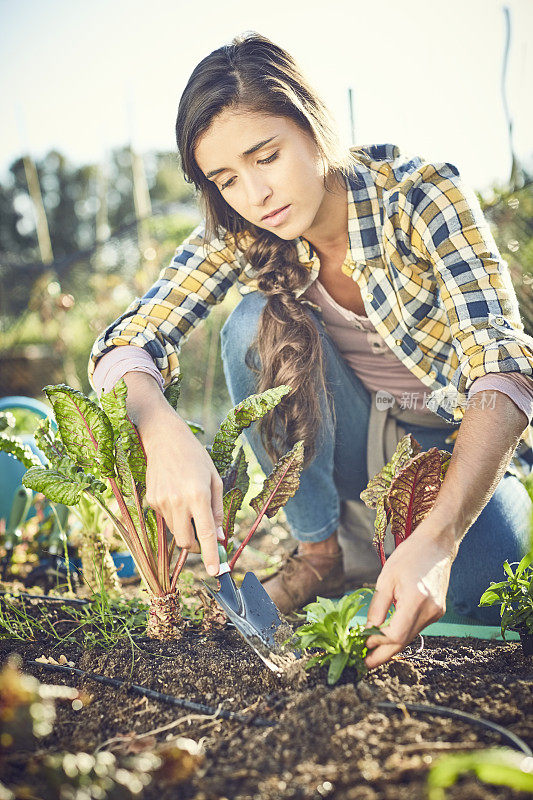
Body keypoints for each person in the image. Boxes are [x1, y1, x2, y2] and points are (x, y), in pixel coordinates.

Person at [88, 32, 533, 668]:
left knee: (480, 599)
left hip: (455, 450)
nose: (254, 195)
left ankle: (398, 545)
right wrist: (161, 430)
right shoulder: (245, 229)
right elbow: (126, 341)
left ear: (314, 127)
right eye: (226, 178)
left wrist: (437, 538)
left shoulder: (420, 198)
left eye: (266, 156)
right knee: (250, 327)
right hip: (354, 444)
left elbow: (505, 367)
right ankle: (323, 552)